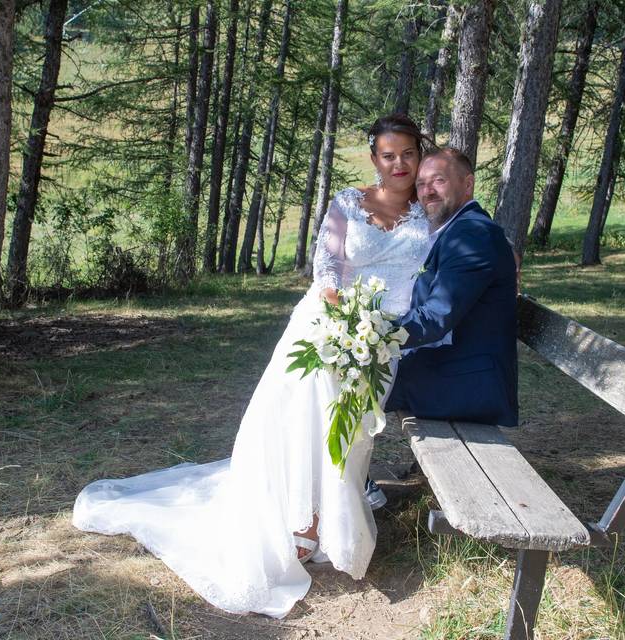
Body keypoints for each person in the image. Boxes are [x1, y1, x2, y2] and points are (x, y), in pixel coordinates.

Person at [72, 114, 436, 618]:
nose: (399, 164)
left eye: (408, 154)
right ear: (374, 160)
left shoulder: (431, 210)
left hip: (383, 340)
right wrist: (344, 318)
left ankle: (332, 517)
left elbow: (461, 249)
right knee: (302, 415)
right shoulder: (349, 202)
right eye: (388, 155)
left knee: (351, 429)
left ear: (420, 154)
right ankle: (300, 521)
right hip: (326, 325)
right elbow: (326, 265)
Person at [385, 147, 518, 427]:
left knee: (338, 381)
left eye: (438, 180)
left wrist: (373, 336)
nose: (427, 191)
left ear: (467, 184)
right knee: (336, 379)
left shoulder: (473, 235)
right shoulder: (457, 229)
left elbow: (437, 315)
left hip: (462, 386)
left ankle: (346, 473)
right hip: (447, 371)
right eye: (421, 184)